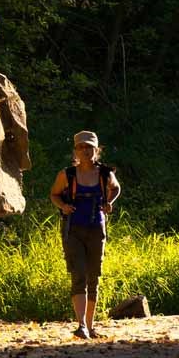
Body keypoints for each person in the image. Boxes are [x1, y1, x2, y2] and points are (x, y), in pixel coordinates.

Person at [49, 130, 121, 340]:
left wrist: (109, 203)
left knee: (93, 277)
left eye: (89, 147)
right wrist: (63, 206)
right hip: (73, 230)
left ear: (96, 150)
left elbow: (115, 188)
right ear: (75, 151)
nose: (85, 150)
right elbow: (53, 194)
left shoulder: (105, 174)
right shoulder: (67, 175)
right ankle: (81, 325)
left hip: (97, 230)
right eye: (81, 147)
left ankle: (90, 326)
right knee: (78, 274)